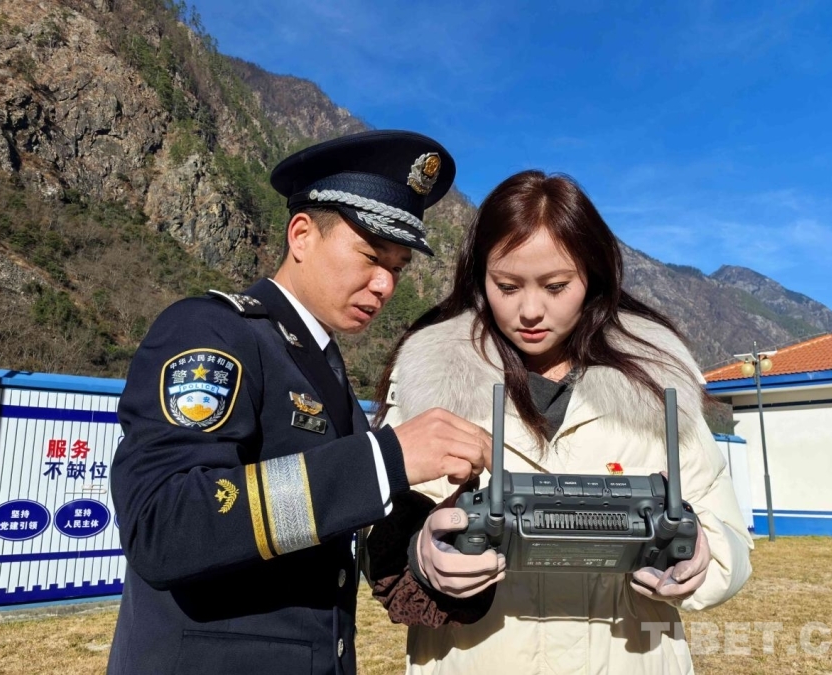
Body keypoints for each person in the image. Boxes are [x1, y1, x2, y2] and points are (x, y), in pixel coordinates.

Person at [107, 130, 493, 675]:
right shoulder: (213, 332)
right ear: (302, 235)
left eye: (397, 268)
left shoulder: (324, 373)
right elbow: (164, 525)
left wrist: (429, 542)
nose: (385, 285)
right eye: (370, 256)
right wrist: (386, 459)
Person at [366, 170, 754, 674]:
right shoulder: (427, 381)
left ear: (592, 275)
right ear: (479, 277)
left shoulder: (660, 385)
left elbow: (729, 546)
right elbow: (373, 533)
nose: (530, 310)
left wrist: (700, 556)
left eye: (556, 286)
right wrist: (420, 554)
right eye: (507, 286)